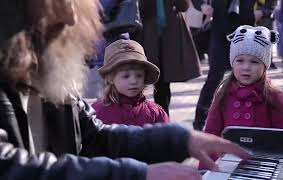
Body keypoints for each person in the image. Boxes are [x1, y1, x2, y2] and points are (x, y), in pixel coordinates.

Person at [0, 0, 250, 180]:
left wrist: (179, 139)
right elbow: (10, 167)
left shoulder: (46, 71)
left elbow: (95, 138)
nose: (72, 18)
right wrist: (138, 174)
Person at [198, 25, 283, 169]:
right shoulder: (223, 94)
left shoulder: (274, 96)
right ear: (232, 62)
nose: (246, 67)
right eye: (240, 60)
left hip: (264, 168)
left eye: (254, 62)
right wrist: (205, 170)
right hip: (226, 167)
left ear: (265, 65)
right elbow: (211, 135)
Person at [191, 0, 257, 130]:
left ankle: (246, 123)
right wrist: (202, 5)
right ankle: (199, 123)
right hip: (220, 30)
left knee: (247, 77)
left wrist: (265, 10)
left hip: (246, 30)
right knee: (214, 78)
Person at [136, 0, 202, 115]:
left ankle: (163, 116)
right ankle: (156, 116)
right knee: (152, 78)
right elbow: (142, 10)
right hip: (150, 34)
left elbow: (183, 6)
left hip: (170, 34)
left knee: (164, 81)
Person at [92, 39, 169, 126]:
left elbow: (168, 138)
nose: (134, 81)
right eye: (126, 76)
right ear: (110, 78)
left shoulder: (155, 113)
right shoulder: (96, 113)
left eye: (139, 75)